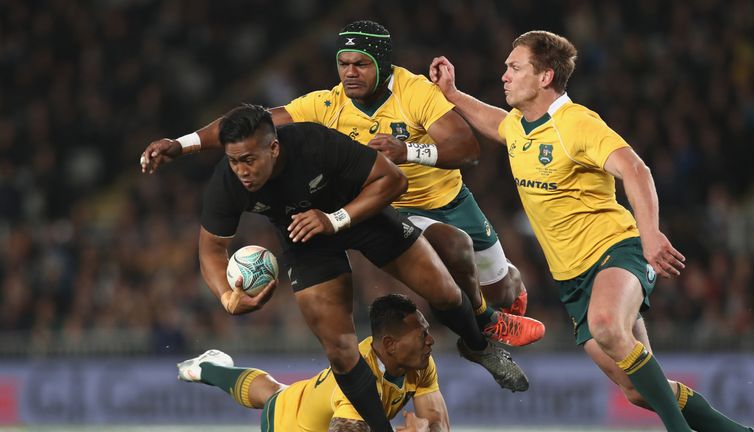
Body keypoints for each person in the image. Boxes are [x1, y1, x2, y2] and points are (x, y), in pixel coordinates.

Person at [428, 30, 754, 432]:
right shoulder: (519, 126)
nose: (504, 76)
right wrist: (454, 94)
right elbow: (497, 124)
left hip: (616, 252)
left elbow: (636, 169)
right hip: (572, 280)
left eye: (514, 67)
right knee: (638, 391)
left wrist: (650, 233)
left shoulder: (578, 123)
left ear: (545, 77)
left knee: (606, 325)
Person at [139, 20, 544, 347]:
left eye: (361, 64)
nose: (350, 72)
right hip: (393, 206)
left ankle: (504, 295)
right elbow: (250, 121)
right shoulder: (325, 104)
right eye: (343, 63)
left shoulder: (413, 91)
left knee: (504, 290)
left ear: (382, 64)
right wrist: (182, 144)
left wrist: (408, 152)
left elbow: (467, 149)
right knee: (453, 248)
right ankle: (486, 326)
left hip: (449, 199)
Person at [194, 104, 527, 432]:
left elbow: (394, 180)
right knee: (340, 350)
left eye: (249, 160)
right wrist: (225, 297)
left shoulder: (315, 143)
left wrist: (335, 219)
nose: (242, 171)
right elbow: (211, 247)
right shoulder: (228, 181)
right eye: (235, 161)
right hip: (306, 239)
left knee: (444, 292)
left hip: (361, 215)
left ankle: (478, 347)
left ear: (274, 147)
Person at [177, 294, 448, 432]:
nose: (430, 341)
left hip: (304, 398)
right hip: (287, 427)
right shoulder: (359, 384)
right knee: (274, 398)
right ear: (389, 344)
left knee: (273, 392)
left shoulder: (420, 362)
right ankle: (208, 369)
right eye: (422, 334)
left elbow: (438, 420)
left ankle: (208, 367)